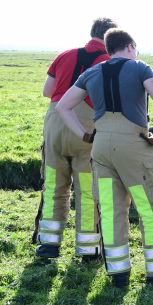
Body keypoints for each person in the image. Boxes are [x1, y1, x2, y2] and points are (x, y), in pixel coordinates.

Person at [56, 28, 153, 288]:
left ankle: (118, 273)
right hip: (134, 146)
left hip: (101, 146)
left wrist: (85, 135)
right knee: (150, 206)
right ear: (129, 46)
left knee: (111, 208)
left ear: (107, 49)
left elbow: (62, 106)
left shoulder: (91, 73)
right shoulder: (139, 67)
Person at [33, 17, 116, 262]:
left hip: (55, 124)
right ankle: (88, 248)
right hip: (87, 127)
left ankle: (48, 245)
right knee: (88, 190)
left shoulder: (63, 55)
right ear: (110, 36)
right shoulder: (108, 61)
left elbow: (47, 92)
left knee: (54, 186)